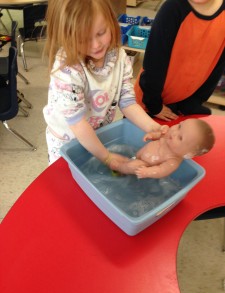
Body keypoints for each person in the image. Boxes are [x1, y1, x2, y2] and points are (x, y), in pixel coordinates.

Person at [43, 0, 168, 168]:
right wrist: (108, 158)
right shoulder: (66, 69)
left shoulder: (120, 57)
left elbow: (127, 101)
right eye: (82, 40)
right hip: (67, 142)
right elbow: (78, 124)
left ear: (111, 21)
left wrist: (152, 127)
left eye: (101, 33)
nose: (96, 45)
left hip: (97, 135)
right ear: (66, 37)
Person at [134, 0, 225, 121]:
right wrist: (154, 105)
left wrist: (194, 102)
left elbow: (217, 67)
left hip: (184, 104)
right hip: (150, 103)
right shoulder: (173, 8)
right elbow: (154, 62)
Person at [111, 119, 215, 179]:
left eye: (180, 138)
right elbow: (159, 135)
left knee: (134, 165)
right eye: (179, 126)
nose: (174, 132)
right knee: (132, 161)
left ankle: (119, 168)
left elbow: (161, 171)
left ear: (188, 154)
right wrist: (152, 135)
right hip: (139, 155)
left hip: (144, 165)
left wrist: (147, 172)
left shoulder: (173, 160)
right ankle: (127, 164)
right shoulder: (169, 137)